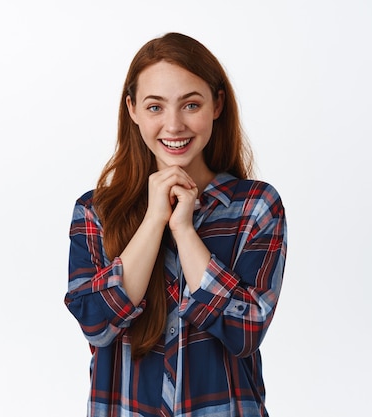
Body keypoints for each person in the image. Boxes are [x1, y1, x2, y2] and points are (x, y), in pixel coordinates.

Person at [65, 32, 287, 417]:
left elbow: (246, 330)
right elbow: (96, 324)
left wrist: (184, 231)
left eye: (190, 105)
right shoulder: (95, 212)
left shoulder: (256, 207)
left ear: (217, 105)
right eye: (155, 107)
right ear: (132, 109)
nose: (173, 125)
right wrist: (154, 219)